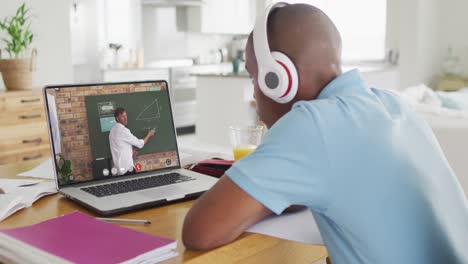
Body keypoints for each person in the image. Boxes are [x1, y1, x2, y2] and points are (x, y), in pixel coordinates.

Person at [182, 3, 468, 264]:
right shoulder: (394, 104)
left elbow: (200, 230)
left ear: (278, 78)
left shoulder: (312, 124)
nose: (256, 92)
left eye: (255, 77)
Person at [109, 107, 155, 175]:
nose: (125, 118)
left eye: (125, 115)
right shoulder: (123, 131)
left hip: (118, 170)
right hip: (127, 169)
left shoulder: (112, 131)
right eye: (122, 116)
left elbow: (119, 146)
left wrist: (130, 150)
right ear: (117, 118)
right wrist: (149, 135)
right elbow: (140, 144)